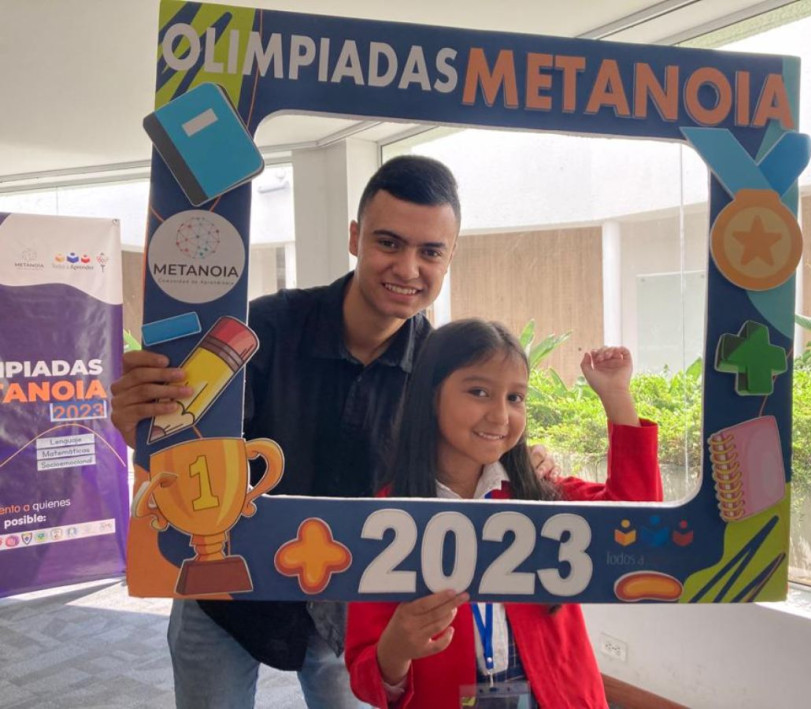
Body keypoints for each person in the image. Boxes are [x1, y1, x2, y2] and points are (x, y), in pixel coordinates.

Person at [110, 156, 556, 708]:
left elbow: (459, 460)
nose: (408, 268)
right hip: (224, 594)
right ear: (355, 237)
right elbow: (193, 448)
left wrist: (515, 459)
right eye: (389, 243)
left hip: (355, 598)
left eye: (430, 252)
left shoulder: (443, 370)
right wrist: (148, 425)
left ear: (450, 256)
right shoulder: (261, 330)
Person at [345, 319, 663, 709]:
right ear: (430, 397)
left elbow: (640, 521)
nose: (501, 415)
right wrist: (396, 649)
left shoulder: (540, 494)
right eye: (479, 392)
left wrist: (616, 397)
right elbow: (367, 680)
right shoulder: (389, 521)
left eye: (516, 398)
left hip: (558, 696)